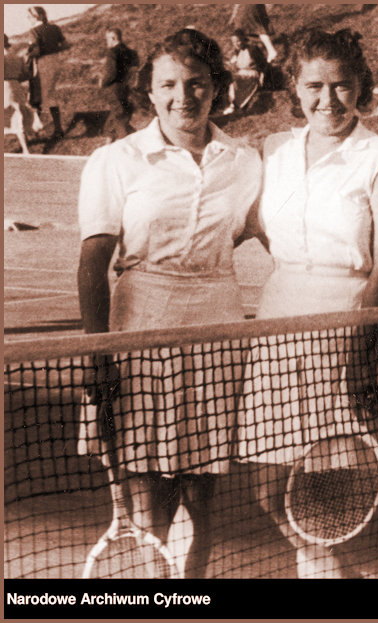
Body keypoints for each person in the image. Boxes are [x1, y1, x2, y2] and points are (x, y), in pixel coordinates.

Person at [76, 28, 263, 578]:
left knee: (203, 492)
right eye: (170, 85)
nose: (185, 96)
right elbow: (93, 264)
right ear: (151, 94)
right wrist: (98, 352)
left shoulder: (246, 161)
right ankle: (158, 595)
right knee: (149, 491)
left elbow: (274, 235)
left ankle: (193, 592)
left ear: (217, 88)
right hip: (140, 324)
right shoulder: (115, 161)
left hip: (216, 326)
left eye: (197, 83)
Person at [236, 28, 378, 578]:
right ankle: (326, 567)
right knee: (268, 477)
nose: (327, 100)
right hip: (279, 314)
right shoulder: (273, 149)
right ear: (294, 85)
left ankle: (327, 573)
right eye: (314, 85)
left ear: (362, 87)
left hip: (346, 319)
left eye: (342, 86)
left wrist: (361, 341)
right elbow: (257, 226)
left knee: (332, 475)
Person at [25, 6, 70, 139]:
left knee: (40, 96)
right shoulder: (55, 28)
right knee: (48, 95)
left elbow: (37, 51)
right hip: (55, 62)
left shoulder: (33, 31)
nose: (28, 19)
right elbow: (66, 45)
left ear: (36, 17)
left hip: (43, 64)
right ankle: (51, 129)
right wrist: (52, 49)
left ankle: (37, 130)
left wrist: (28, 54)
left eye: (29, 17)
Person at [4, 33, 44, 152]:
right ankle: (25, 149)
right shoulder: (16, 58)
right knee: (17, 116)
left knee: (8, 115)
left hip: (4, 86)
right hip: (16, 86)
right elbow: (26, 75)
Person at [99, 27, 139, 141]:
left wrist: (102, 82)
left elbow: (111, 73)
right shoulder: (131, 52)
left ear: (113, 38)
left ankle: (129, 143)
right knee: (117, 116)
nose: (107, 42)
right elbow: (134, 69)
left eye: (107, 39)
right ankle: (108, 144)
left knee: (120, 119)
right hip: (125, 87)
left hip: (114, 89)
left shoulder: (112, 52)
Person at [222, 28, 267, 115]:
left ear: (243, 39)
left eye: (238, 41)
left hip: (252, 74)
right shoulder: (237, 51)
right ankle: (230, 104)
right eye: (234, 42)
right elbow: (235, 65)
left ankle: (234, 105)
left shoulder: (252, 49)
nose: (236, 44)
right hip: (241, 74)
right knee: (228, 77)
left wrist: (262, 76)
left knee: (234, 78)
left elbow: (263, 64)